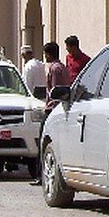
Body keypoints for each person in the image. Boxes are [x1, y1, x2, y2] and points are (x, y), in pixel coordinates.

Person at [31, 41, 71, 185]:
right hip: (60, 109)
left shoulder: (54, 69)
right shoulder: (63, 68)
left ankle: (41, 176)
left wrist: (51, 108)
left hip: (52, 110)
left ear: (48, 54)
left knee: (44, 143)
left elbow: (55, 91)